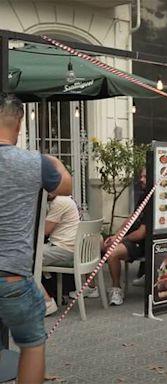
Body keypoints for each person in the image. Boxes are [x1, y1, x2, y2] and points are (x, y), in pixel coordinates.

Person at [0, 93, 72, 383]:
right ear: (18, 126)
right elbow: (66, 187)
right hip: (13, 280)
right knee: (31, 343)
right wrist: (55, 162)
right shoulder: (34, 162)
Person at [104, 167, 147, 305]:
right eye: (141, 176)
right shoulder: (144, 195)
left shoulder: (157, 199)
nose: (141, 179)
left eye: (145, 177)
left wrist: (121, 239)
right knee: (104, 244)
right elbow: (132, 217)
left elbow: (141, 233)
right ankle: (92, 287)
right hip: (132, 237)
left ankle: (116, 289)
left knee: (113, 252)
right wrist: (116, 235)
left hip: (145, 242)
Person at [42, 193, 81, 316]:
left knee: (23, 261)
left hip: (63, 249)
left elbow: (45, 231)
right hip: (65, 247)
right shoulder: (66, 200)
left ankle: (46, 302)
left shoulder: (60, 202)